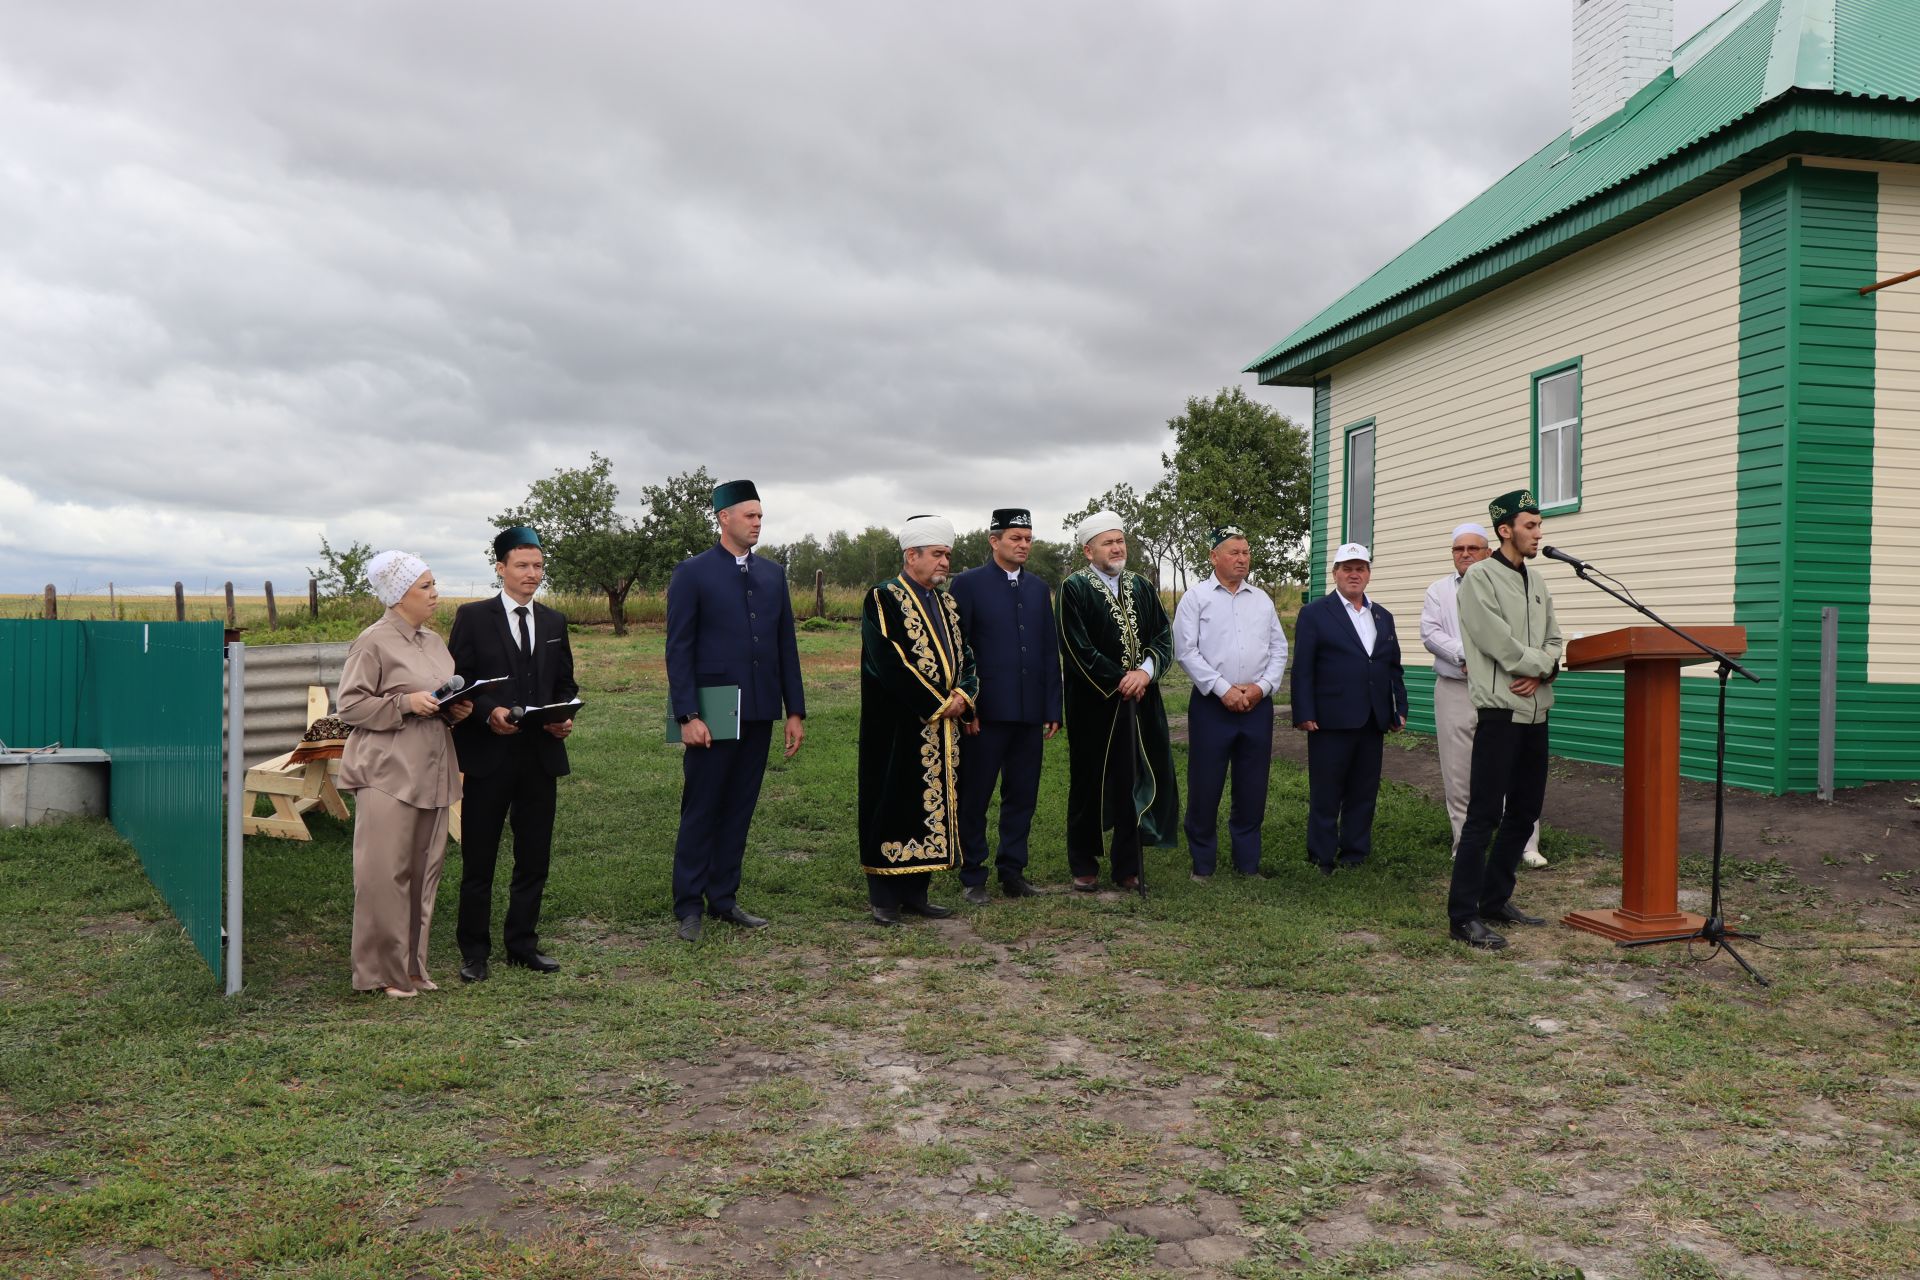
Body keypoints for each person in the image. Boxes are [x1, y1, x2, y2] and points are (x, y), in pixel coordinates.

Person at [664, 479, 807, 942]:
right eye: (750, 515)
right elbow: (678, 648)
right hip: (712, 709)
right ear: (724, 518)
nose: (757, 523)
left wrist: (794, 711)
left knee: (740, 808)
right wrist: (687, 715)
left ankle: (723, 898)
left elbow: (786, 645)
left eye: (761, 516)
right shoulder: (693, 573)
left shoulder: (772, 575)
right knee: (703, 807)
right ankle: (689, 905)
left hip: (761, 708)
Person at [336, 551, 474, 997]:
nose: (436, 595)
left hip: (433, 769)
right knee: (383, 874)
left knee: (423, 871)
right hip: (387, 772)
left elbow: (438, 696)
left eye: (434, 585)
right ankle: (380, 972)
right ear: (398, 596)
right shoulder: (372, 642)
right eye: (426, 587)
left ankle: (413, 968)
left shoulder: (433, 642)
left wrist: (457, 709)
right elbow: (350, 706)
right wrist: (404, 703)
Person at [446, 526, 578, 982]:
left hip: (539, 757)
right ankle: (474, 951)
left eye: (538, 566)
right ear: (500, 568)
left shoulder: (555, 622)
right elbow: (458, 681)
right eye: (522, 565)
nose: (531, 574)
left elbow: (564, 683)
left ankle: (522, 943)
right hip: (487, 757)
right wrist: (487, 713)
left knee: (533, 856)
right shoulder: (472, 617)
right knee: (479, 858)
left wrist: (564, 717)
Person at [1447, 490, 1564, 950]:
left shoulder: (1538, 583)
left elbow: (1555, 640)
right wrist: (1540, 665)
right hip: (1501, 712)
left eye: (1539, 526)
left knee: (1525, 811)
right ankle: (1462, 915)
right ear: (1505, 530)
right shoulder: (1479, 578)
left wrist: (1545, 669)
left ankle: (1495, 899)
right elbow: (1499, 644)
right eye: (1531, 525)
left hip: (1537, 711)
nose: (1539, 533)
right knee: (1483, 816)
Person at [859, 515, 978, 925]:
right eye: (938, 554)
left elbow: (967, 656)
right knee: (893, 800)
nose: (945, 562)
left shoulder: (947, 603)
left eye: (948, 554)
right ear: (912, 555)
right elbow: (889, 661)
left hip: (942, 728)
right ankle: (885, 897)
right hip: (896, 724)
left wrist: (964, 694)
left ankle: (917, 892)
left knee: (932, 805)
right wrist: (936, 703)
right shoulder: (883, 597)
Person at [1056, 511, 1178, 894]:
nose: (1116, 548)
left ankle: (1127, 864)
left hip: (1141, 702)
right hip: (1094, 705)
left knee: (1133, 778)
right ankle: (1084, 862)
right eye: (1108, 542)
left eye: (1120, 541)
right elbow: (1077, 648)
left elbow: (1163, 635)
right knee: (1088, 781)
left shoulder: (1141, 586)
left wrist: (1144, 672)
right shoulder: (1073, 588)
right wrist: (1119, 679)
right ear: (1088, 550)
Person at [948, 507, 1060, 905]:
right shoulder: (968, 584)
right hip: (986, 715)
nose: (1023, 545)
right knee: (975, 795)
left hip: (1029, 715)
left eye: (1028, 538)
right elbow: (958, 651)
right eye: (1016, 538)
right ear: (994, 541)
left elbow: (1049, 652)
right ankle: (973, 874)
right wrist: (969, 707)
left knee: (1022, 796)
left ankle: (1012, 871)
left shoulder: (1037, 588)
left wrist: (1052, 708)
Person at [1420, 522, 1545, 870]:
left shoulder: (1509, 586)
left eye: (1473, 548)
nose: (1465, 555)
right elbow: (1430, 634)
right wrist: (1467, 655)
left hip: (1506, 688)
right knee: (1459, 772)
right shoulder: (1438, 590)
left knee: (1514, 767)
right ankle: (1465, 842)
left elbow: (1522, 636)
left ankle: (1525, 844)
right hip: (1456, 690)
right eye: (1459, 549)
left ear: (1488, 551)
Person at [1173, 526, 1288, 879]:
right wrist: (1223, 689)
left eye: (1246, 553)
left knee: (1252, 785)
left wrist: (1261, 687)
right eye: (1234, 552)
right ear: (1214, 557)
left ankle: (1247, 863)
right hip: (1212, 706)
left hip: (1256, 706)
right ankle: (1203, 864)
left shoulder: (1262, 599)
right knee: (1206, 784)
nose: (1242, 559)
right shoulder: (1196, 598)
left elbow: (1279, 648)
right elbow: (1186, 651)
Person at [1289, 543, 1408, 875]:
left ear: (1368, 574)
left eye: (1360, 568)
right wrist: (1304, 712)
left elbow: (1392, 667)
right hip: (1330, 719)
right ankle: (1322, 856)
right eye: (1347, 568)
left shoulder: (1382, 616)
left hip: (1372, 718)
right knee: (1327, 791)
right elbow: (1303, 668)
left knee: (1363, 790)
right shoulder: (1315, 613)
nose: (1354, 574)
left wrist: (1399, 708)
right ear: (1335, 573)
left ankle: (1355, 852)